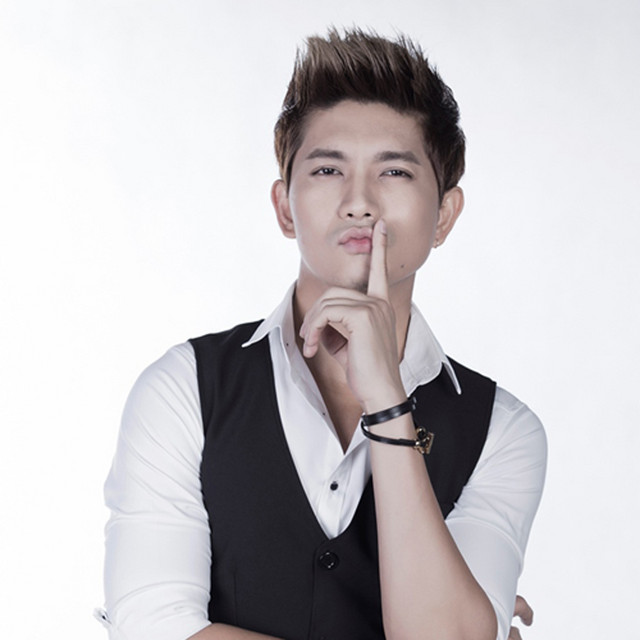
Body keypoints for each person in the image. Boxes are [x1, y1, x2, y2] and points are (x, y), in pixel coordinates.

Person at [99, 28, 547, 640]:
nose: (359, 202)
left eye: (394, 170)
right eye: (329, 169)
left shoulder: (502, 431)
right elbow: (153, 628)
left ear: (443, 215)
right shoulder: (184, 390)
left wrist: (388, 405)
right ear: (285, 207)